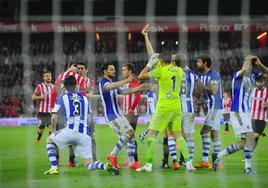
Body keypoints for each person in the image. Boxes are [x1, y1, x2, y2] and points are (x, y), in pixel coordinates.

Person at [44, 76, 119, 175]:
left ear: (65, 87)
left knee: (49, 140)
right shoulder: (84, 98)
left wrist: (53, 131)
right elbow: (89, 118)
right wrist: (90, 133)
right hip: (84, 135)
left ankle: (54, 167)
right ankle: (105, 166)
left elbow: (54, 117)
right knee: (90, 164)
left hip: (69, 131)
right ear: (76, 85)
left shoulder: (62, 97)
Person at [136, 51, 195, 172]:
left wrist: (149, 64)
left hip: (163, 107)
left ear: (161, 61)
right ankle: (189, 163)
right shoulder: (179, 70)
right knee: (178, 135)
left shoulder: (160, 71)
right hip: (176, 107)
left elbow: (141, 76)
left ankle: (148, 165)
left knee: (151, 135)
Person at [213, 55, 268, 174]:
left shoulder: (254, 77)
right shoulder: (238, 74)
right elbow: (244, 70)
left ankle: (218, 156)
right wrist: (248, 60)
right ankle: (248, 168)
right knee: (250, 137)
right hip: (238, 111)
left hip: (246, 113)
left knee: (244, 143)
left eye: (250, 63)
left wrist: (259, 64)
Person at [99, 63, 148, 169]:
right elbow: (109, 87)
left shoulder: (112, 83)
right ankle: (112, 155)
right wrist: (126, 80)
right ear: (105, 71)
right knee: (129, 133)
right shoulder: (103, 82)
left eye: (114, 69)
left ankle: (132, 162)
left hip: (118, 114)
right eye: (111, 69)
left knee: (131, 136)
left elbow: (125, 91)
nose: (114, 71)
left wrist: (139, 88)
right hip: (112, 115)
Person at [140, 24, 171, 169]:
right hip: (171, 103)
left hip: (165, 102)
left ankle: (152, 163)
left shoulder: (162, 70)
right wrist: (146, 36)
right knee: (172, 133)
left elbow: (151, 59)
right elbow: (152, 55)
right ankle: (176, 161)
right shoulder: (175, 68)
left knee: (161, 133)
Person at [51, 62, 87, 167]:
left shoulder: (61, 76)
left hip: (61, 107)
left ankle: (56, 159)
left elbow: (54, 91)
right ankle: (72, 160)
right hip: (72, 110)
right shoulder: (80, 79)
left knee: (56, 133)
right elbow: (83, 94)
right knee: (72, 133)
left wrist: (52, 106)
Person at [194, 54, 223, 169]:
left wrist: (201, 84)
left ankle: (209, 161)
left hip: (216, 107)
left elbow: (214, 91)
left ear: (205, 63)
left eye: (199, 62)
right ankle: (214, 162)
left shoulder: (214, 75)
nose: (197, 64)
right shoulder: (203, 75)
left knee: (204, 132)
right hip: (211, 107)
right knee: (214, 134)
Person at [171, 54, 198, 167]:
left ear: (175, 63)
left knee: (172, 135)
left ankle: (174, 161)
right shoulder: (192, 74)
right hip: (189, 108)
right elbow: (199, 86)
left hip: (176, 107)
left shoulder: (173, 72)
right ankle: (189, 163)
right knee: (189, 137)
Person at [121, 63, 142, 168]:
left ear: (130, 71)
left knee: (130, 136)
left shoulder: (134, 80)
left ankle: (136, 161)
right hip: (126, 113)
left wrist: (131, 109)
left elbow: (137, 96)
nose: (123, 71)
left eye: (124, 70)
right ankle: (130, 158)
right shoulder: (126, 81)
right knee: (128, 136)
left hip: (132, 114)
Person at [77, 62, 97, 161]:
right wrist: (85, 92)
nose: (80, 70)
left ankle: (95, 158)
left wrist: (80, 92)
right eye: (78, 68)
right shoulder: (73, 80)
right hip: (75, 113)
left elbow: (91, 94)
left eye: (82, 68)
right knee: (71, 136)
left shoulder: (91, 81)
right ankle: (72, 160)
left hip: (87, 112)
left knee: (92, 136)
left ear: (86, 70)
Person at [32, 71, 54, 144]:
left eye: (49, 76)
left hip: (51, 111)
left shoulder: (53, 87)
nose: (48, 77)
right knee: (42, 127)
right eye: (47, 76)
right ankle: (38, 139)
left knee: (51, 126)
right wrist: (41, 97)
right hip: (42, 111)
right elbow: (33, 97)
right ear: (44, 77)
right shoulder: (40, 86)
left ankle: (49, 141)